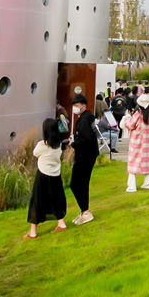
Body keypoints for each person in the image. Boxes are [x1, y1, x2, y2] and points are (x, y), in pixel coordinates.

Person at [25, 119, 69, 238]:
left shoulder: (42, 145)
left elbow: (35, 153)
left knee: (37, 201)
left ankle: (33, 232)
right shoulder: (59, 144)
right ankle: (61, 223)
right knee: (56, 199)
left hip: (43, 175)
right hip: (56, 175)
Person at [67, 95, 99, 224]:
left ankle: (85, 212)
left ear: (83, 106)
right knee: (80, 183)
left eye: (77, 105)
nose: (75, 108)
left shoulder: (85, 120)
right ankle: (83, 211)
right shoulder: (86, 117)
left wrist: (74, 143)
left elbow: (86, 139)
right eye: (74, 105)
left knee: (77, 184)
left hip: (85, 155)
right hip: (88, 154)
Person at [120, 93, 149, 189]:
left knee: (133, 163)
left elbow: (129, 125)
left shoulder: (138, 114)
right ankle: (148, 183)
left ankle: (132, 186)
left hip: (136, 142)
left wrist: (127, 117)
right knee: (147, 161)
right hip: (147, 143)